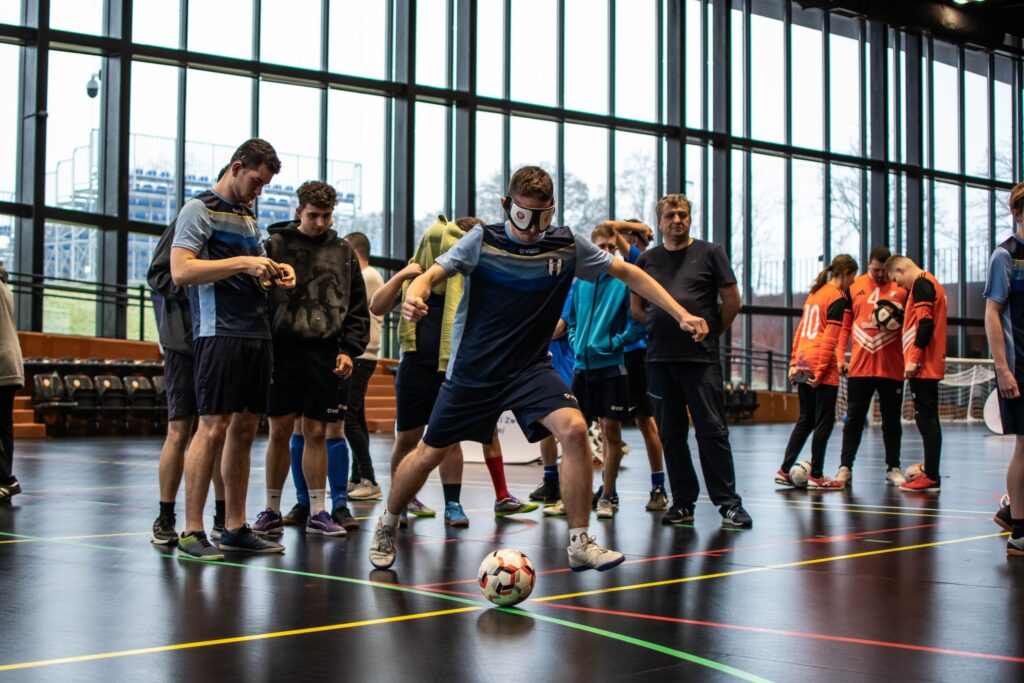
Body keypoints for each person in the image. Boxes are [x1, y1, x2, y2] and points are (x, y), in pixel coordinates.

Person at [369, 166, 709, 571]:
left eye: (542, 218)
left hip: (530, 368)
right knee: (428, 454)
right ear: (506, 205)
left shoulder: (566, 244)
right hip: (475, 371)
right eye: (523, 216)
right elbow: (431, 275)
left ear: (553, 210)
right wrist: (416, 296)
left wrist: (680, 312)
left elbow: (628, 272)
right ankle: (387, 521)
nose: (532, 229)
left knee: (575, 429)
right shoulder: (483, 240)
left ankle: (579, 541)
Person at [170, 138, 296, 559]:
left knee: (244, 429)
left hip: (255, 333)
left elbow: (254, 271)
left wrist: (276, 272)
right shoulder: (199, 209)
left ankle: (235, 526)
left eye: (264, 185)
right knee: (211, 427)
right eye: (256, 181)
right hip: (218, 332)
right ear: (237, 167)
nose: (258, 190)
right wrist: (244, 263)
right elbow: (181, 270)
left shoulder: (247, 216)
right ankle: (191, 531)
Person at [251, 181, 369, 538]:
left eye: (326, 216)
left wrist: (349, 349)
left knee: (317, 432)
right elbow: (257, 302)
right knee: (279, 431)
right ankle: (272, 509)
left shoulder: (344, 251)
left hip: (325, 353)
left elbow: (357, 308)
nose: (320, 223)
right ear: (298, 211)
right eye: (313, 215)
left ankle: (318, 511)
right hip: (281, 351)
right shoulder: (275, 246)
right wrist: (264, 352)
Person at [631, 194, 752, 528]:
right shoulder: (647, 260)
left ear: (690, 218)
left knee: (712, 431)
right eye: (670, 215)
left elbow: (733, 302)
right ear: (659, 221)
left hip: (700, 361)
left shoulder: (711, 253)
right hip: (659, 360)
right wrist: (659, 325)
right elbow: (637, 309)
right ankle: (683, 502)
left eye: (683, 214)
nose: (677, 220)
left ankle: (728, 504)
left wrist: (710, 332)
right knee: (671, 434)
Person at [147, 209, 226, 544]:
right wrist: (202, 285)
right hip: (183, 341)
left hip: (219, 338)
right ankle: (165, 516)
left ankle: (223, 516)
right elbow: (158, 275)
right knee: (179, 429)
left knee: (218, 431)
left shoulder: (236, 229)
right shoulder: (189, 220)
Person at [565, 223, 646, 519]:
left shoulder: (624, 282)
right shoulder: (580, 282)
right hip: (581, 368)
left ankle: (608, 496)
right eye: (602, 247)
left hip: (611, 367)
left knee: (611, 432)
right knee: (572, 434)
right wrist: (575, 341)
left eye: (612, 247)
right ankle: (574, 495)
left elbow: (637, 325)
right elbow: (572, 321)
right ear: (592, 249)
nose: (607, 252)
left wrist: (613, 344)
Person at [775, 254, 857, 490]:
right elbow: (830, 339)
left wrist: (794, 362)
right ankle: (817, 476)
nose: (853, 283)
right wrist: (820, 372)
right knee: (824, 422)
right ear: (845, 274)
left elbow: (801, 331)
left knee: (805, 419)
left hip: (803, 359)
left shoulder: (815, 293)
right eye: (852, 277)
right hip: (821, 362)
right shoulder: (837, 297)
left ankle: (784, 470)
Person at [833, 246, 907, 487]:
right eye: (875, 270)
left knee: (892, 421)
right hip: (860, 368)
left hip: (892, 368)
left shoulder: (901, 287)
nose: (880, 275)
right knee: (854, 419)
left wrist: (910, 358)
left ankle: (893, 467)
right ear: (868, 266)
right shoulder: (855, 286)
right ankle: (845, 467)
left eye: (884, 270)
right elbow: (845, 325)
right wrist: (839, 357)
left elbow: (910, 327)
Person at [885, 254, 947, 492]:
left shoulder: (921, 283)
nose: (899, 286)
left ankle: (931, 476)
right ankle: (931, 471)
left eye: (896, 280)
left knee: (926, 419)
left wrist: (914, 359)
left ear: (901, 269)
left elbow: (925, 324)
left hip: (923, 365)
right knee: (928, 418)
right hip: (927, 364)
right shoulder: (929, 283)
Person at [618, 221, 668, 511]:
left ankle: (658, 485)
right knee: (609, 423)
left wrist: (635, 227)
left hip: (636, 352)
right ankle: (607, 488)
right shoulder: (615, 268)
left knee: (644, 421)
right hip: (615, 354)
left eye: (624, 238)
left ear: (634, 239)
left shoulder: (640, 260)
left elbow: (610, 228)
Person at [985, 182, 1024, 556]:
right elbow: (993, 314)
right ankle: (1020, 533)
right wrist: (1003, 369)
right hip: (1018, 368)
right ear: (1016, 213)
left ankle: (1012, 509)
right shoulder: (1005, 256)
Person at [344, 231, 385, 501]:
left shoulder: (367, 276)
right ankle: (357, 477)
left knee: (348, 419)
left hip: (361, 355)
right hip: (363, 354)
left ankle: (369, 479)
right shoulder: (369, 276)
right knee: (357, 417)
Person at [0, 262, 23, 504]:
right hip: (10, 361)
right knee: (3, 424)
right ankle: (6, 480)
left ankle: (6, 480)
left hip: (2, 363)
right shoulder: (3, 283)